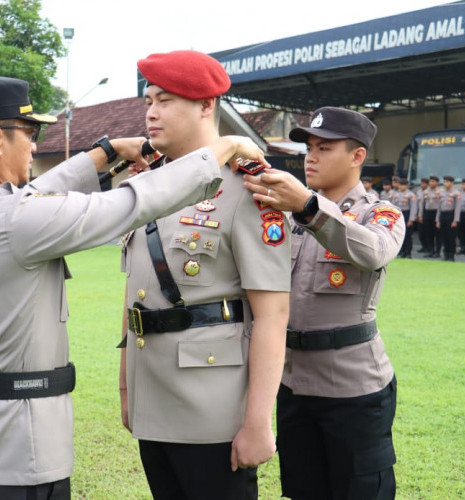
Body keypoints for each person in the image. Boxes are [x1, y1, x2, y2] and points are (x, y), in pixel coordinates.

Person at [0, 75, 269, 499]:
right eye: (29, 135)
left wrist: (104, 154)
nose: (34, 147)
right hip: (13, 457)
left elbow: (31, 197)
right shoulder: (15, 222)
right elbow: (133, 202)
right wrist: (225, 148)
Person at [118, 50, 290, 500]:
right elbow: (136, 292)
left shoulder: (249, 188)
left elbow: (272, 315)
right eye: (149, 100)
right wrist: (125, 384)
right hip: (151, 392)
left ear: (206, 106)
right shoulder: (148, 187)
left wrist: (258, 421)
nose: (152, 112)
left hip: (213, 407)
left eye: (167, 100)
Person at [244, 106, 404, 499]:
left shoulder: (379, 213)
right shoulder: (282, 216)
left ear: (357, 156)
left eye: (324, 147)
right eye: (309, 147)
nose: (310, 157)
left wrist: (309, 208)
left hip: (354, 388)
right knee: (302, 489)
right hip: (292, 384)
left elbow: (375, 251)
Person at [435, 174, 460, 261]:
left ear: (452, 183)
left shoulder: (456, 193)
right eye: (444, 182)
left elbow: (457, 208)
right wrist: (437, 220)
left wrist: (455, 220)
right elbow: (439, 207)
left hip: (451, 215)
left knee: (451, 236)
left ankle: (451, 255)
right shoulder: (441, 193)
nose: (445, 183)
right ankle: (445, 254)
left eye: (447, 182)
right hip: (443, 215)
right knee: (443, 235)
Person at [393, 178, 417, 258]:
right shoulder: (395, 194)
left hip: (407, 214)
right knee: (399, 234)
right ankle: (401, 251)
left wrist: (411, 219)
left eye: (402, 185)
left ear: (406, 185)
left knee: (407, 235)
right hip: (398, 215)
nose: (401, 187)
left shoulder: (411, 195)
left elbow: (413, 208)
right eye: (400, 185)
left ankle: (408, 252)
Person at [421, 175, 441, 257]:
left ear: (437, 182)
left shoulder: (440, 192)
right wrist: (421, 215)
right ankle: (431, 250)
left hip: (436, 212)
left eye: (433, 181)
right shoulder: (425, 192)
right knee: (429, 233)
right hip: (427, 213)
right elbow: (422, 204)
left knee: (437, 234)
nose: (431, 183)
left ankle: (438, 251)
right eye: (430, 181)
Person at [415, 177, 429, 252]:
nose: (422, 185)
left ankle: (428, 247)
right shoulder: (418, 192)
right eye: (421, 183)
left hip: (426, 213)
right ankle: (423, 246)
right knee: (421, 233)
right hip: (419, 212)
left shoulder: (429, 192)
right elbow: (417, 204)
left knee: (427, 232)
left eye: (424, 183)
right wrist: (417, 214)